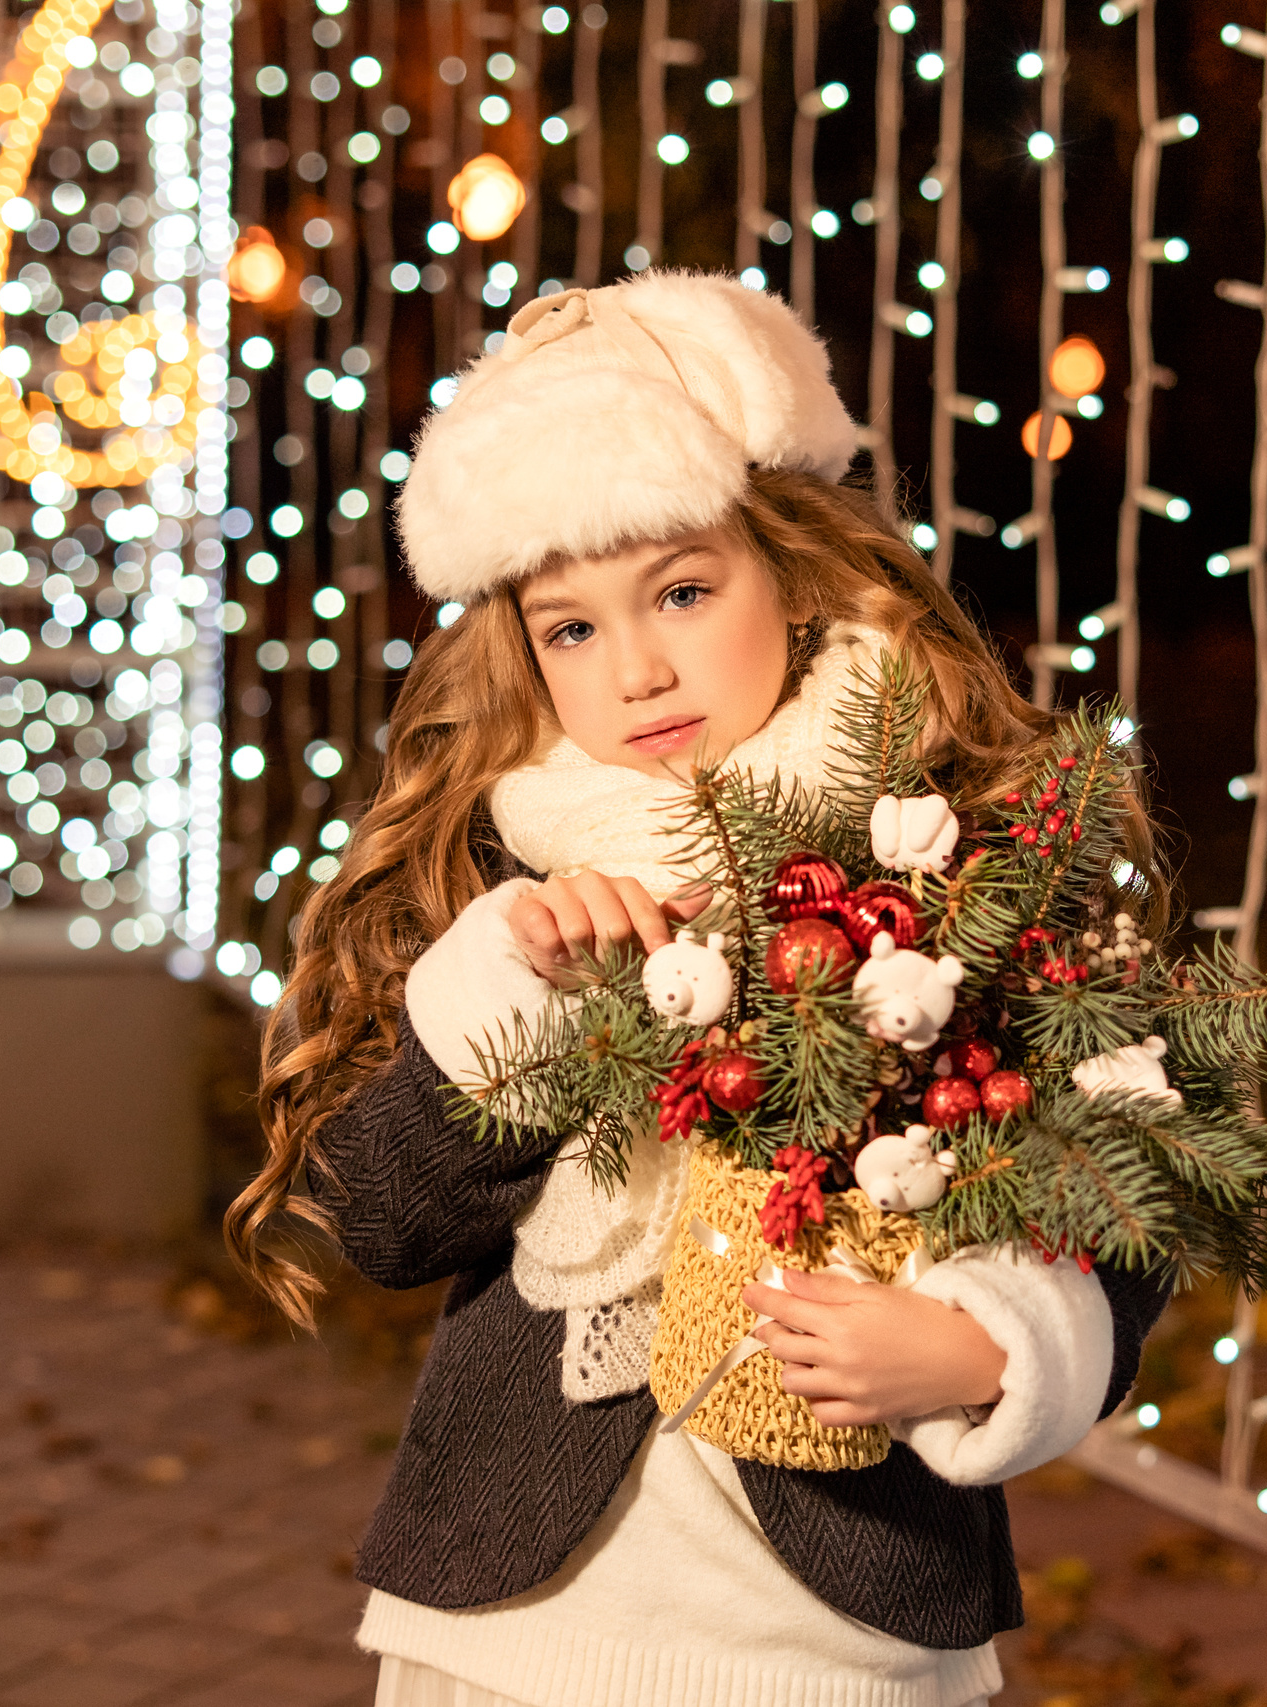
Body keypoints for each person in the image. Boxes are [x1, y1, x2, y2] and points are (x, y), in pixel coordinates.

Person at [229, 271, 1173, 1707]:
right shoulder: (494, 872)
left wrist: (988, 1346)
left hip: (841, 1633)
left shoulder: (949, 851)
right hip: (512, 1623)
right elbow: (383, 1222)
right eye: (572, 628)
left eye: (681, 588)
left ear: (788, 570)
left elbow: (1125, 1175)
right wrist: (514, 1004)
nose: (640, 669)